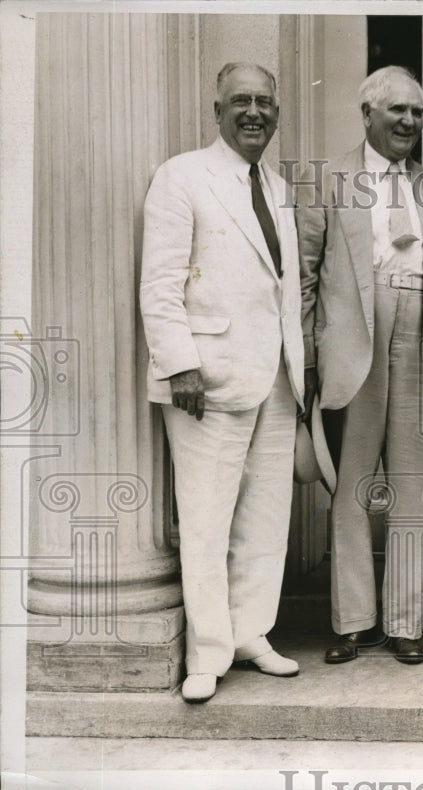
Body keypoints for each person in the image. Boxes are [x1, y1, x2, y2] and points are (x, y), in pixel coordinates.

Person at [140, 62, 305, 703]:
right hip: (204, 379)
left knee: (265, 518)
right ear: (217, 111)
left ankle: (250, 635)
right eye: (241, 101)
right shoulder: (182, 176)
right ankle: (207, 652)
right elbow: (160, 280)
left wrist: (300, 369)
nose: (254, 112)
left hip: (275, 377)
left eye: (265, 101)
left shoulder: (280, 187)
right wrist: (180, 363)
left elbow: (282, 292)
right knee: (206, 519)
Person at [297, 66, 423, 666]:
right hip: (353, 339)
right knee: (352, 484)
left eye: (416, 112)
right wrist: (308, 360)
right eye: (398, 112)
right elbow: (305, 277)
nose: (410, 122)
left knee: (415, 485)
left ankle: (407, 622)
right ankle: (354, 621)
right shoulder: (328, 178)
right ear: (367, 115)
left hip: (416, 330)